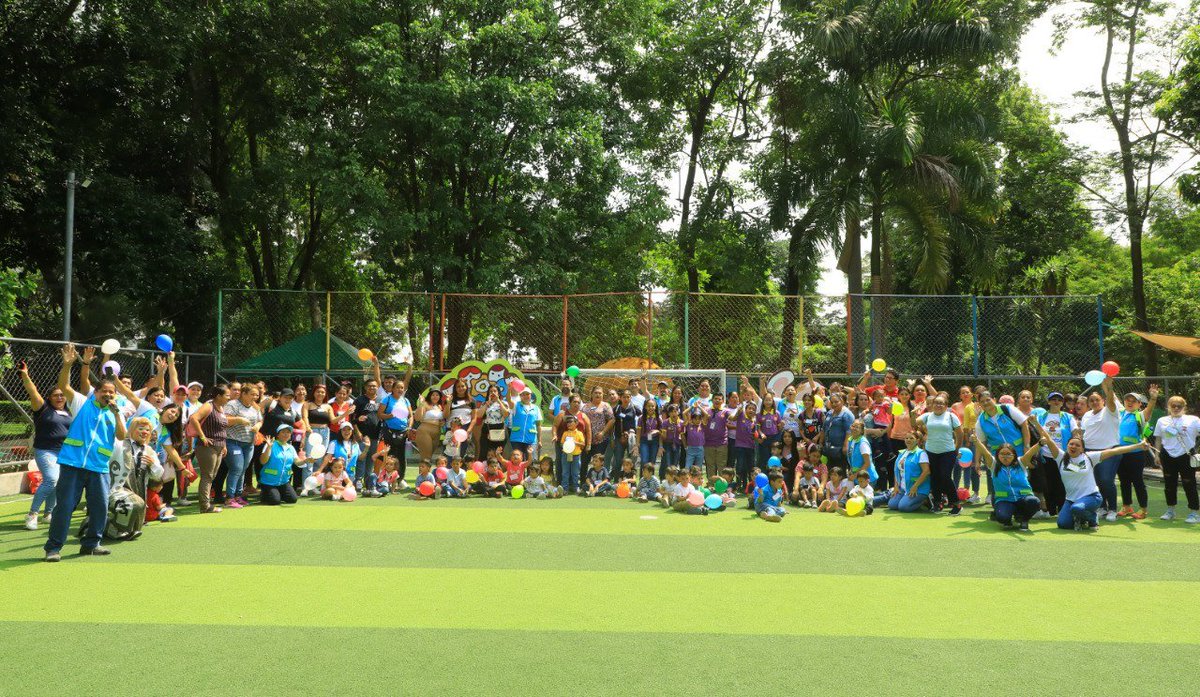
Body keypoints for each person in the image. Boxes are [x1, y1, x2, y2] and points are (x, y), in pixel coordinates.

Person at [44, 344, 128, 561]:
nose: (108, 395)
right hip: (72, 464)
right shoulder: (82, 403)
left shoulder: (115, 413)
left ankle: (91, 544)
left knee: (99, 507)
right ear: (96, 392)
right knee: (64, 507)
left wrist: (117, 414)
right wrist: (67, 365)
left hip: (98, 466)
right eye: (104, 392)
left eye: (112, 392)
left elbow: (121, 436)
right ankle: (53, 548)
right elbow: (64, 385)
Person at [1038, 420, 1151, 530]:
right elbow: (1047, 438)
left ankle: (1092, 517)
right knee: (1063, 524)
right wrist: (1035, 423)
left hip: (1091, 497)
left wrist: (1138, 446)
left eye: (1077, 445)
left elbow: (1116, 451)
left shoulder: (1089, 457)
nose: (1073, 446)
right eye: (1071, 444)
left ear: (1082, 449)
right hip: (1071, 499)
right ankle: (1081, 518)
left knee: (1077, 508)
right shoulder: (1060, 457)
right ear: (1067, 446)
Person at [18, 358, 74, 531]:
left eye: (62, 394)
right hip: (45, 451)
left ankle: (48, 514)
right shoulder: (42, 408)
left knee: (58, 482)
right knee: (51, 479)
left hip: (63, 452)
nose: (60, 397)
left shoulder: (67, 411)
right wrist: (26, 376)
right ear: (49, 398)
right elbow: (32, 391)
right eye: (56, 395)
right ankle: (32, 515)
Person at [188, 385, 252, 514]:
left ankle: (207, 504)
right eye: (227, 395)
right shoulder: (209, 405)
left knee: (211, 476)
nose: (229, 397)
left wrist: (224, 445)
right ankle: (205, 506)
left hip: (219, 446)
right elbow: (194, 418)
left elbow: (222, 428)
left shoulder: (221, 408)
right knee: (207, 476)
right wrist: (202, 436)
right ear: (218, 396)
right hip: (207, 446)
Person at [974, 390, 1030, 506]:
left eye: (988, 400)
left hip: (1019, 451)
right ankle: (1000, 506)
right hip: (998, 456)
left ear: (994, 400)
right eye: (982, 401)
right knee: (999, 480)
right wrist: (977, 461)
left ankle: (1025, 505)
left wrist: (1026, 446)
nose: (986, 403)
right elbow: (981, 443)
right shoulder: (980, 421)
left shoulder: (1008, 409)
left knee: (1021, 477)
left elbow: (1024, 425)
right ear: (979, 404)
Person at [1079, 374, 1121, 521]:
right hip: (1090, 452)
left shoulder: (1110, 411)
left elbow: (1111, 400)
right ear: (1088, 403)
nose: (1095, 402)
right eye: (1092, 400)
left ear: (1103, 401)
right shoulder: (1087, 415)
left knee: (1106, 480)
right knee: (1096, 482)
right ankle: (1102, 507)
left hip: (1109, 451)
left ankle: (1113, 510)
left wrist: (1109, 386)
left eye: (1097, 399)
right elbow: (1083, 433)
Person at [1153, 395, 1200, 523]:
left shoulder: (1193, 420)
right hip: (1167, 455)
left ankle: (1194, 512)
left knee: (1189, 484)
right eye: (1173, 405)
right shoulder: (1162, 420)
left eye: (1179, 405)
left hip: (1186, 455)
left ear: (1184, 407)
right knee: (1169, 484)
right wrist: (1157, 455)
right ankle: (1170, 511)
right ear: (1168, 407)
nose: (1176, 408)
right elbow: (1158, 438)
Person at [976, 439, 1041, 532]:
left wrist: (1040, 444)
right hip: (1004, 500)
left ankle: (1024, 519)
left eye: (1008, 454)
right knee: (1003, 517)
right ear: (997, 455)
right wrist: (976, 441)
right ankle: (1006, 518)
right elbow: (985, 453)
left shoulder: (1021, 463)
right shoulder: (994, 465)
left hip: (1023, 498)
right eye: (1002, 454)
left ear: (1014, 455)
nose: (1005, 457)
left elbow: (1030, 453)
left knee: (1034, 502)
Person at [1116, 386, 1158, 519]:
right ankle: (1127, 507)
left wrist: (1153, 398)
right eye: (1127, 399)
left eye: (1133, 400)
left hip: (1136, 454)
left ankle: (1143, 510)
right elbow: (1113, 398)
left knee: (1137, 481)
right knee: (1124, 481)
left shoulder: (1140, 415)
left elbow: (1149, 409)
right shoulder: (1120, 413)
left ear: (1139, 404)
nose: (1129, 402)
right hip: (1120, 452)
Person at [917, 395, 962, 515]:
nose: (938, 405)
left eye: (941, 403)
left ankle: (956, 503)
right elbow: (915, 422)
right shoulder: (927, 416)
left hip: (948, 451)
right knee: (935, 477)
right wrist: (913, 413)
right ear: (932, 405)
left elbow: (959, 434)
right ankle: (938, 502)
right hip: (931, 451)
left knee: (945, 476)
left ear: (946, 406)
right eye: (936, 403)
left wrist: (956, 449)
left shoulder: (951, 416)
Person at [222, 382, 262, 510]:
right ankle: (229, 498)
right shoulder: (232, 404)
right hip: (233, 442)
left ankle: (239, 496)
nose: (255, 397)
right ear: (243, 394)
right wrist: (239, 419)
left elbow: (260, 420)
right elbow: (225, 420)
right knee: (236, 469)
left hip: (248, 444)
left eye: (257, 395)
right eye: (252, 394)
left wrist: (257, 426)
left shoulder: (254, 407)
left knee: (243, 469)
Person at [1035, 391, 1074, 517]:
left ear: (1062, 403)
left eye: (1059, 400)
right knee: (1048, 483)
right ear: (1048, 401)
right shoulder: (1041, 417)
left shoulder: (1067, 417)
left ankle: (1063, 509)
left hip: (1062, 455)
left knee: (1062, 483)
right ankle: (1051, 510)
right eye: (1053, 399)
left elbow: (1075, 432)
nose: (1056, 401)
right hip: (1045, 455)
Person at [377, 369, 414, 488]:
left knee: (401, 456)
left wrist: (409, 427)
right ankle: (387, 479)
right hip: (389, 432)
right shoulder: (386, 399)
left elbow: (411, 415)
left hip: (403, 432)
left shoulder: (405, 400)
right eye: (397, 387)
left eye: (402, 388)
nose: (400, 389)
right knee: (390, 456)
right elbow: (380, 414)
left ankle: (400, 479)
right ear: (393, 388)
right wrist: (389, 416)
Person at [884, 429, 931, 513]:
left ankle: (925, 500)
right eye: (906, 438)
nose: (908, 440)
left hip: (918, 489)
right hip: (903, 488)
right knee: (892, 505)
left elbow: (926, 471)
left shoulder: (921, 453)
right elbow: (897, 471)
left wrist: (915, 486)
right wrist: (896, 486)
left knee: (903, 507)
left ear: (917, 440)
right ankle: (906, 499)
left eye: (911, 438)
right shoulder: (901, 453)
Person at [258, 424, 302, 504]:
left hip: (283, 482)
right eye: (283, 432)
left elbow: (298, 462)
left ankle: (277, 493)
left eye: (288, 432)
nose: (286, 434)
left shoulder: (291, 448)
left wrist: (307, 460)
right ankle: (264, 494)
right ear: (278, 434)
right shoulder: (270, 444)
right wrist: (268, 447)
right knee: (275, 501)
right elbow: (262, 461)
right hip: (269, 482)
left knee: (292, 499)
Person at [581, 386, 614, 465]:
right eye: (596, 393)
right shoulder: (585, 407)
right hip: (587, 440)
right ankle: (583, 477)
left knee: (598, 463)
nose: (598, 395)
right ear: (591, 394)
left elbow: (612, 419)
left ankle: (598, 477)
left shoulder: (606, 406)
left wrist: (603, 432)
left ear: (603, 395)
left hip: (600, 440)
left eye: (600, 393)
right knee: (584, 462)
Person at [820, 393, 854, 470]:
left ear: (841, 401)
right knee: (829, 470)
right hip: (828, 447)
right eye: (832, 402)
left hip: (840, 449)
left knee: (839, 471)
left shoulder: (847, 414)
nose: (834, 404)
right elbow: (824, 428)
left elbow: (849, 431)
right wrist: (820, 442)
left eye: (836, 402)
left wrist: (845, 446)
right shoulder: (829, 413)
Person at [412, 388, 446, 462]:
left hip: (437, 432)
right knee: (426, 457)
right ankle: (423, 473)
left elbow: (441, 419)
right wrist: (421, 404)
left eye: (437, 395)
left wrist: (442, 422)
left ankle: (426, 473)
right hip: (425, 431)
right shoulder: (425, 404)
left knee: (429, 457)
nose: (435, 396)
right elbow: (417, 418)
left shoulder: (439, 407)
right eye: (433, 395)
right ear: (429, 396)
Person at [611, 389, 641, 472]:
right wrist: (611, 437)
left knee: (632, 459)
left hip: (631, 437)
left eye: (628, 397)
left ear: (631, 397)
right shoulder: (616, 409)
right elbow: (612, 422)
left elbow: (642, 418)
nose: (626, 399)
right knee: (618, 459)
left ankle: (631, 479)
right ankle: (617, 480)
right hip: (619, 437)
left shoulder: (635, 408)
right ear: (620, 398)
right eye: (624, 397)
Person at [508, 387, 542, 459]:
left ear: (531, 395)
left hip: (531, 439)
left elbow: (538, 425)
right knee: (518, 461)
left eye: (527, 394)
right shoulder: (516, 405)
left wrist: (539, 440)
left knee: (531, 461)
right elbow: (508, 400)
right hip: (516, 438)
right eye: (523, 394)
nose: (525, 396)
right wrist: (508, 389)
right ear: (520, 396)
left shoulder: (536, 408)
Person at [558, 414, 586, 494]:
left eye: (571, 422)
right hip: (566, 455)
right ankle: (564, 489)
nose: (569, 424)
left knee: (575, 473)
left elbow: (583, 444)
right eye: (567, 423)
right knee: (565, 472)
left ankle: (576, 487)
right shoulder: (565, 433)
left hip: (576, 455)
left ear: (576, 423)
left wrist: (574, 442)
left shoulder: (579, 433)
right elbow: (561, 444)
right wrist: (566, 444)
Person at [843, 420, 877, 486]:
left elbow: (867, 464)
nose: (854, 428)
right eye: (853, 426)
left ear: (862, 431)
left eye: (857, 427)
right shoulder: (851, 440)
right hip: (859, 478)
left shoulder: (863, 443)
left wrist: (855, 475)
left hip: (867, 479)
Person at [639, 399, 663, 473]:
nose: (650, 408)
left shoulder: (659, 418)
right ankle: (643, 479)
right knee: (644, 460)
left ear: (655, 407)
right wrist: (637, 444)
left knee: (652, 461)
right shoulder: (641, 418)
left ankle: (651, 479)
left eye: (652, 406)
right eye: (648, 406)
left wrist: (661, 446)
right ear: (645, 407)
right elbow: (638, 432)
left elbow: (661, 434)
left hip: (655, 441)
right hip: (644, 440)